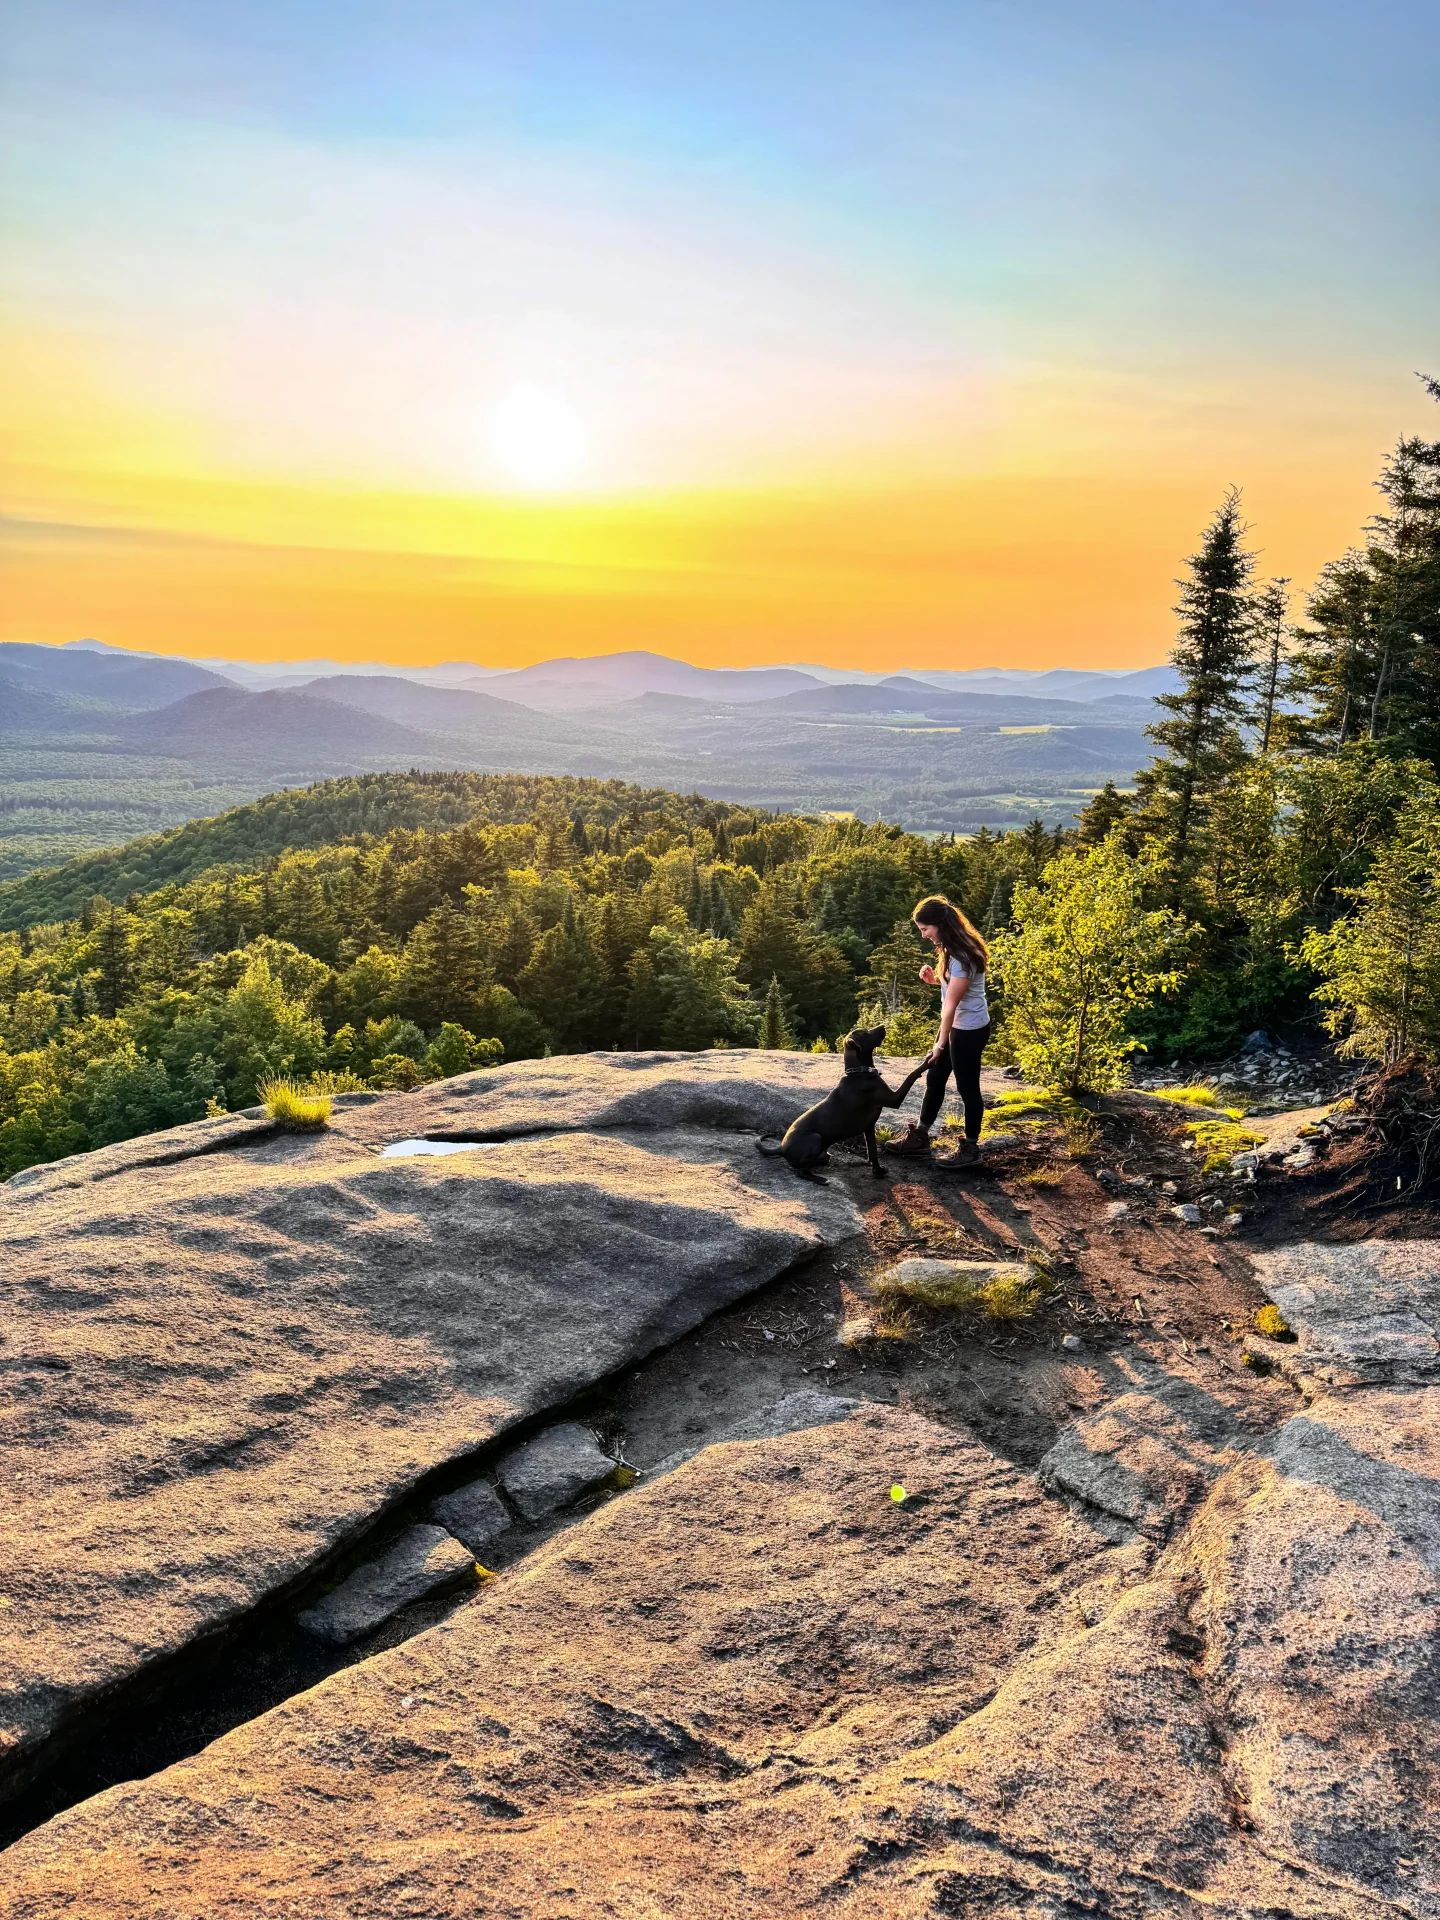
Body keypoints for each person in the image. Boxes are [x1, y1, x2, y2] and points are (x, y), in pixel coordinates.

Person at [886, 894, 990, 1168]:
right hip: (956, 1025)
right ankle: (920, 1136)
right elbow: (955, 990)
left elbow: (952, 1006)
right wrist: (935, 980)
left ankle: (970, 1148)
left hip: (968, 1029)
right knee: (935, 1078)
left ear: (940, 924)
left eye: (925, 929)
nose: (923, 936)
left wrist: (940, 1045)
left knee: (968, 1088)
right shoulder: (951, 949)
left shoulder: (962, 956)